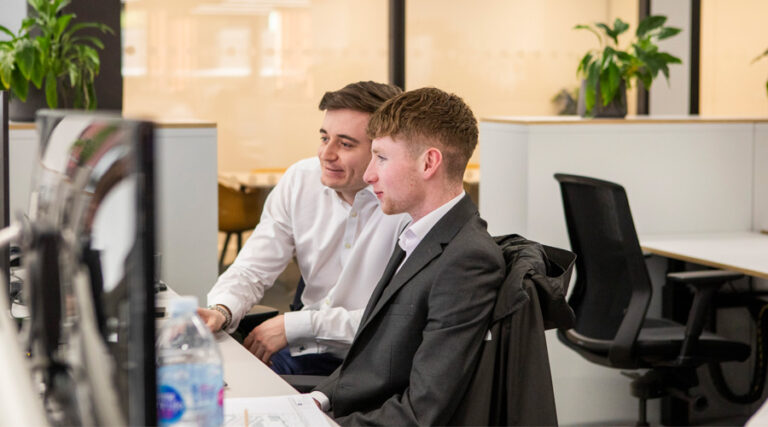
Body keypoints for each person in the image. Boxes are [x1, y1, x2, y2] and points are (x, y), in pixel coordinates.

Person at [311, 87, 506, 425]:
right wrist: (316, 400)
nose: (370, 174)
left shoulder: (467, 260)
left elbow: (422, 412)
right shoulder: (418, 235)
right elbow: (373, 356)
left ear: (429, 162)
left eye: (382, 158)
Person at [199, 81, 410, 376]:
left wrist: (296, 325)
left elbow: (399, 317)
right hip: (304, 349)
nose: (326, 153)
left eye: (346, 144)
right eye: (325, 138)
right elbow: (253, 269)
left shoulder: (408, 203)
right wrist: (220, 310)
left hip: (375, 359)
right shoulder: (301, 180)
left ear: (381, 150)